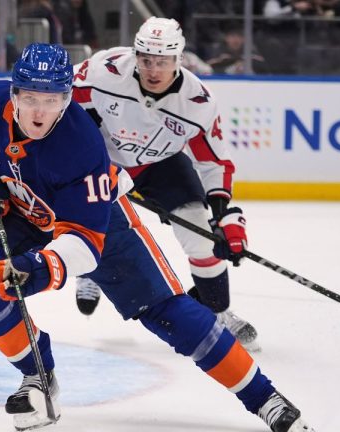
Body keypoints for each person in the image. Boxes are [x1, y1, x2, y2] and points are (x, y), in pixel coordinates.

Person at [0, 42, 314, 432]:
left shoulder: (79, 145)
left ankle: (265, 398)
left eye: (52, 101)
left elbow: (86, 243)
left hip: (100, 221)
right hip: (24, 213)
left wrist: (40, 268)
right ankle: (39, 377)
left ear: (68, 99)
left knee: (167, 313)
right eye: (31, 98)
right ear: (13, 92)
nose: (39, 112)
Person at [71, 17, 260, 352]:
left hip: (161, 165)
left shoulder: (198, 103)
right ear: (136, 54)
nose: (152, 70)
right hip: (104, 160)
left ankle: (217, 311)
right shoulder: (104, 71)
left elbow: (214, 163)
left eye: (162, 62)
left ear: (178, 60)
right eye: (145, 60)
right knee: (93, 223)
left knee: (201, 234)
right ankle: (88, 271)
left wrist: (222, 214)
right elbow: (62, 103)